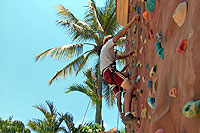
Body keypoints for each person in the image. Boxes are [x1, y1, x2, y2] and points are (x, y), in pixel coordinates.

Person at [100, 15, 140, 124]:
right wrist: (132, 21)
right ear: (107, 41)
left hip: (107, 76)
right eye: (111, 38)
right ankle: (127, 114)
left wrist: (129, 55)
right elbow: (121, 33)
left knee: (126, 76)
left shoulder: (109, 53)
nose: (114, 39)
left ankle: (128, 97)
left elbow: (119, 57)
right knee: (130, 87)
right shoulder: (107, 46)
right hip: (110, 72)